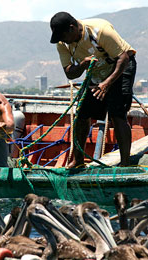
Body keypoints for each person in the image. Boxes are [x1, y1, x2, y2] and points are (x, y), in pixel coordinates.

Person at [50, 12, 137, 167]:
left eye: (63, 36)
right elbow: (70, 73)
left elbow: (123, 58)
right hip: (96, 72)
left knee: (117, 114)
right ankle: (78, 160)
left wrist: (107, 84)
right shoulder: (62, 44)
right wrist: (82, 65)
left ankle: (125, 163)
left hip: (121, 67)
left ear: (72, 28)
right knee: (81, 114)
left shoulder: (100, 29)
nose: (63, 41)